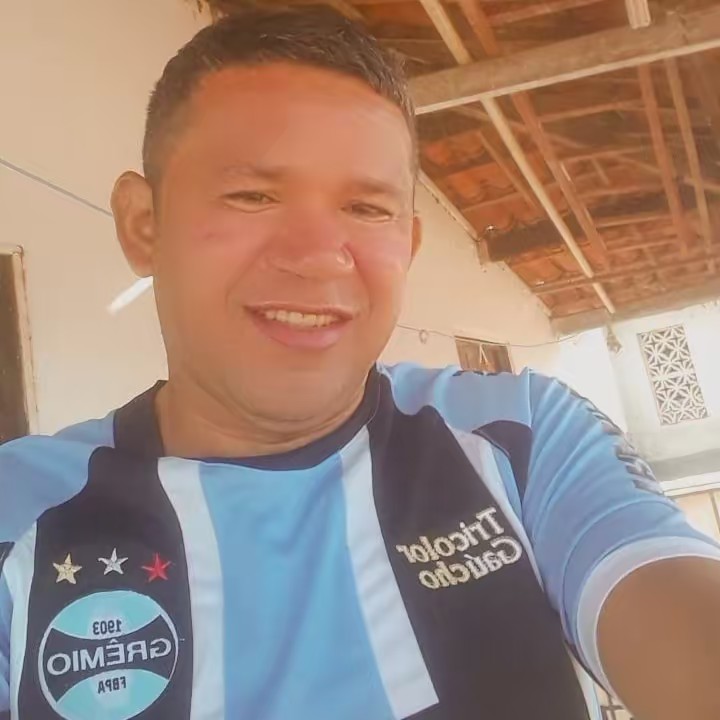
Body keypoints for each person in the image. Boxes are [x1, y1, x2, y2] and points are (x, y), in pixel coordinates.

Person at [2, 7, 720, 720]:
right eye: (252, 195)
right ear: (143, 224)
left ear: (407, 245)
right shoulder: (18, 512)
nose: (319, 256)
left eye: (368, 209)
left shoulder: (522, 438)